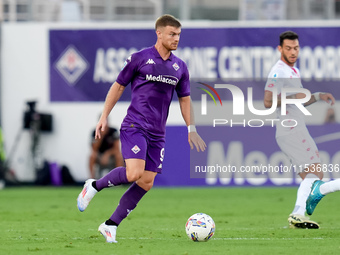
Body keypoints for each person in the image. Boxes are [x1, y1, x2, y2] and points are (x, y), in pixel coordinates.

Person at [77, 14, 206, 243]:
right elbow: (117, 87)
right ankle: (94, 186)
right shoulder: (140, 58)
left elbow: (185, 99)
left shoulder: (179, 67)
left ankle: (110, 225)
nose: (176, 38)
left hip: (158, 133)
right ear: (159, 33)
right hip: (135, 125)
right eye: (171, 34)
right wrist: (104, 116)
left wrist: (191, 128)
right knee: (134, 173)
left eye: (178, 34)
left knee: (146, 182)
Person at [263, 31, 336, 229]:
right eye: (288, 48)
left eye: (295, 48)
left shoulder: (293, 71)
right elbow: (267, 101)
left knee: (312, 177)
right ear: (280, 49)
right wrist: (293, 98)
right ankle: (298, 212)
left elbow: (300, 100)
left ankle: (298, 214)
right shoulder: (279, 71)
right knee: (316, 175)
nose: (293, 52)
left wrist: (318, 95)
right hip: (292, 128)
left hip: (291, 128)